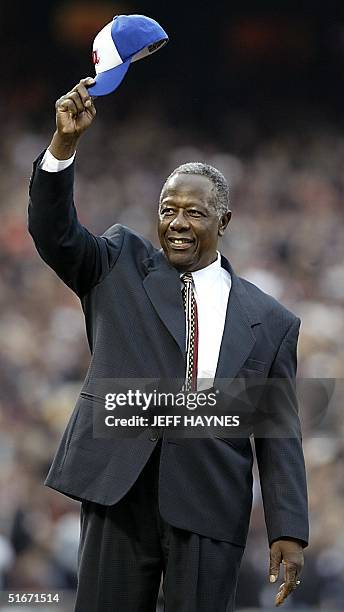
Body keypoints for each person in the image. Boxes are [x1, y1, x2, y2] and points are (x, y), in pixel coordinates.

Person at [28, 78, 309, 612]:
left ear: (223, 222)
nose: (177, 223)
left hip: (209, 500)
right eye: (168, 209)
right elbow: (54, 233)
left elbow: (279, 433)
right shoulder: (118, 261)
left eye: (195, 213)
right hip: (119, 490)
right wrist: (62, 148)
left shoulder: (271, 321)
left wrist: (288, 528)